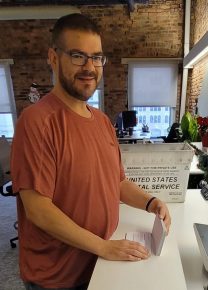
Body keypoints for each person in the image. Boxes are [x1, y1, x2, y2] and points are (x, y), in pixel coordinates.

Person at [11, 13, 171, 290]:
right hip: (58, 278)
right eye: (77, 56)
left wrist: (150, 201)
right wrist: (104, 247)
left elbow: (116, 182)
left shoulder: (102, 122)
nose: (89, 67)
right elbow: (38, 209)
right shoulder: (37, 120)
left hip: (99, 263)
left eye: (96, 57)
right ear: (53, 57)